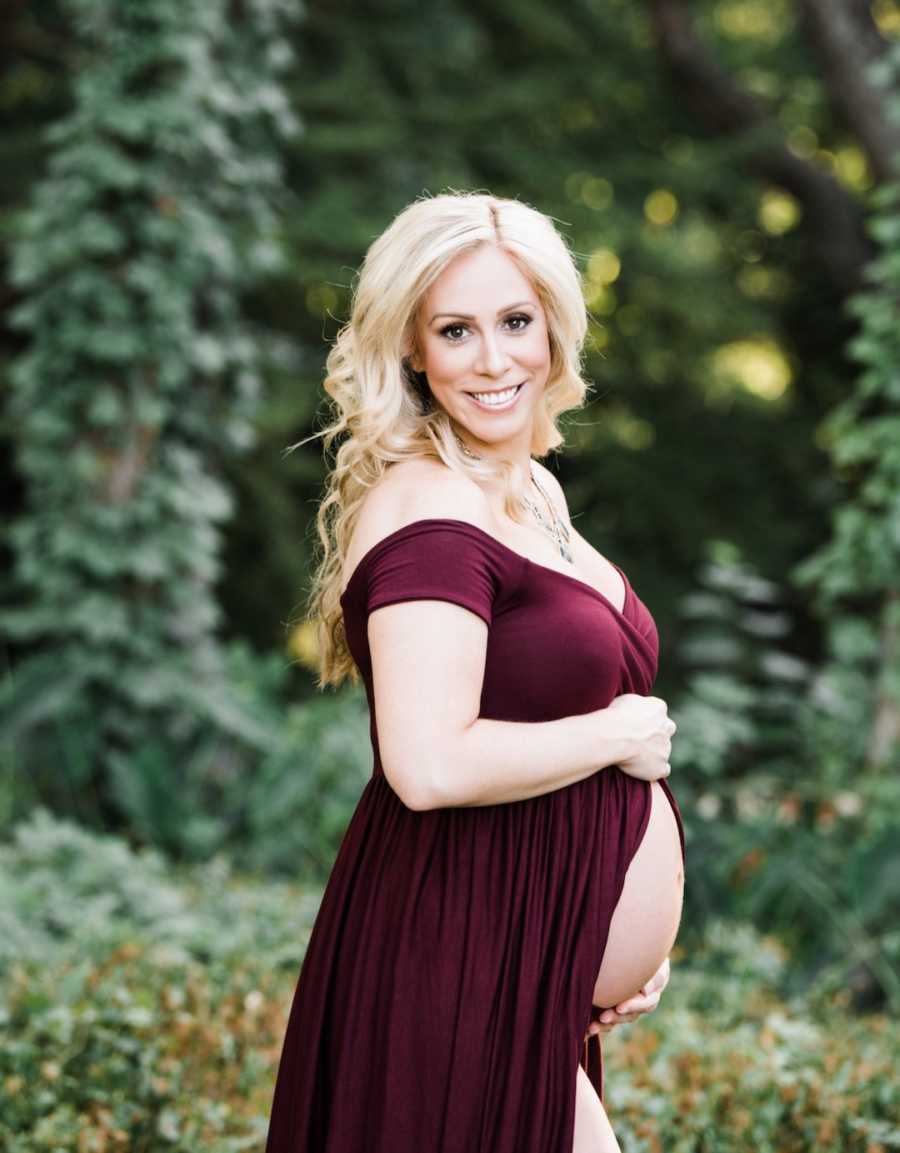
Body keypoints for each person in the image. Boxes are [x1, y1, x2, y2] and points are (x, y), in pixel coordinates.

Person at [265, 191, 685, 1153]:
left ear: (555, 328)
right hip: (458, 955)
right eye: (456, 330)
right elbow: (428, 764)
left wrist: (608, 952)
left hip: (531, 959)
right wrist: (625, 731)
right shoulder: (429, 510)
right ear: (411, 348)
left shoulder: (532, 485)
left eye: (516, 321)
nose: (495, 360)